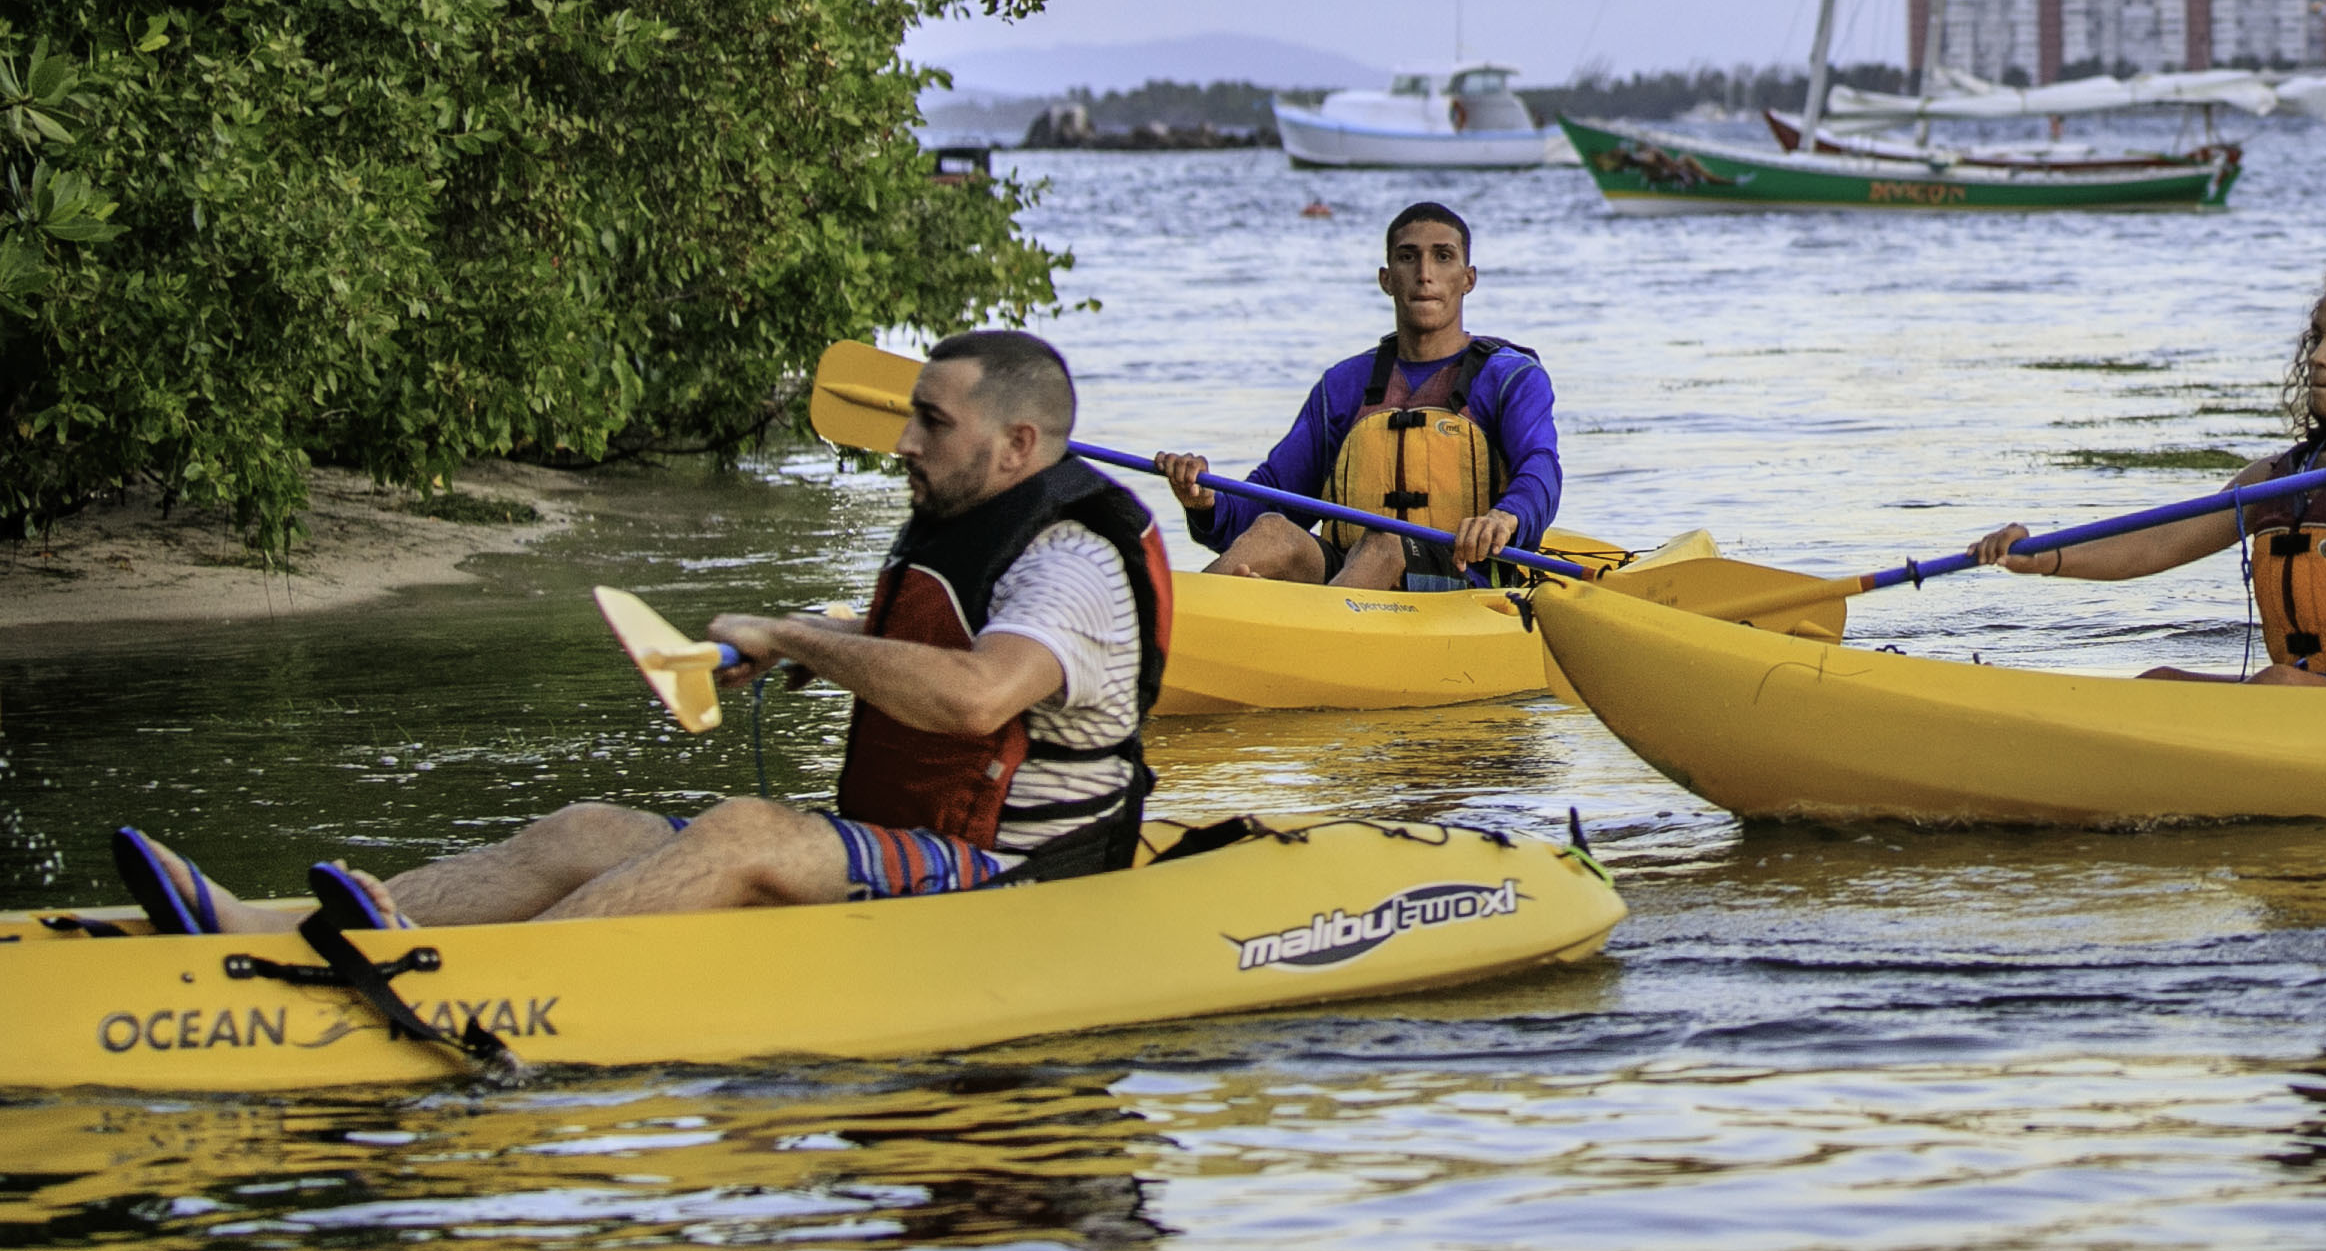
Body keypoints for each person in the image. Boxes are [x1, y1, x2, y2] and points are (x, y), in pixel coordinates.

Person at [113, 331, 1169, 937]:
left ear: (1018, 441)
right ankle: (268, 927)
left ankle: (508, 979)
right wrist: (814, 636)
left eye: (932, 422)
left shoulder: (1071, 559)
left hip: (1013, 881)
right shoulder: (977, 516)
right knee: (588, 830)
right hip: (922, 847)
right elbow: (939, 643)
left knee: (743, 831)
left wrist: (799, 637)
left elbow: (981, 695)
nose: (902, 440)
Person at [1969, 252, 2326, 686]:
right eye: (2316, 339)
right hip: (2308, 699)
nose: (2318, 357)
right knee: (2159, 681)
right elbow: (2155, 543)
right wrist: (2043, 557)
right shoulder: (2276, 480)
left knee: (2278, 685)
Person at [1153, 201, 1561, 589]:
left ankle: (1308, 632)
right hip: (1352, 574)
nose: (1424, 273)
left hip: (1464, 578)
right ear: (1386, 278)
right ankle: (1172, 626)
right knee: (1273, 532)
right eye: (1407, 257)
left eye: (1442, 257)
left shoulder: (1511, 377)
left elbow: (1540, 468)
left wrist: (1505, 518)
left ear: (1467, 278)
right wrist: (1206, 502)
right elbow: (1270, 496)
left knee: (1383, 542)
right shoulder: (1343, 386)